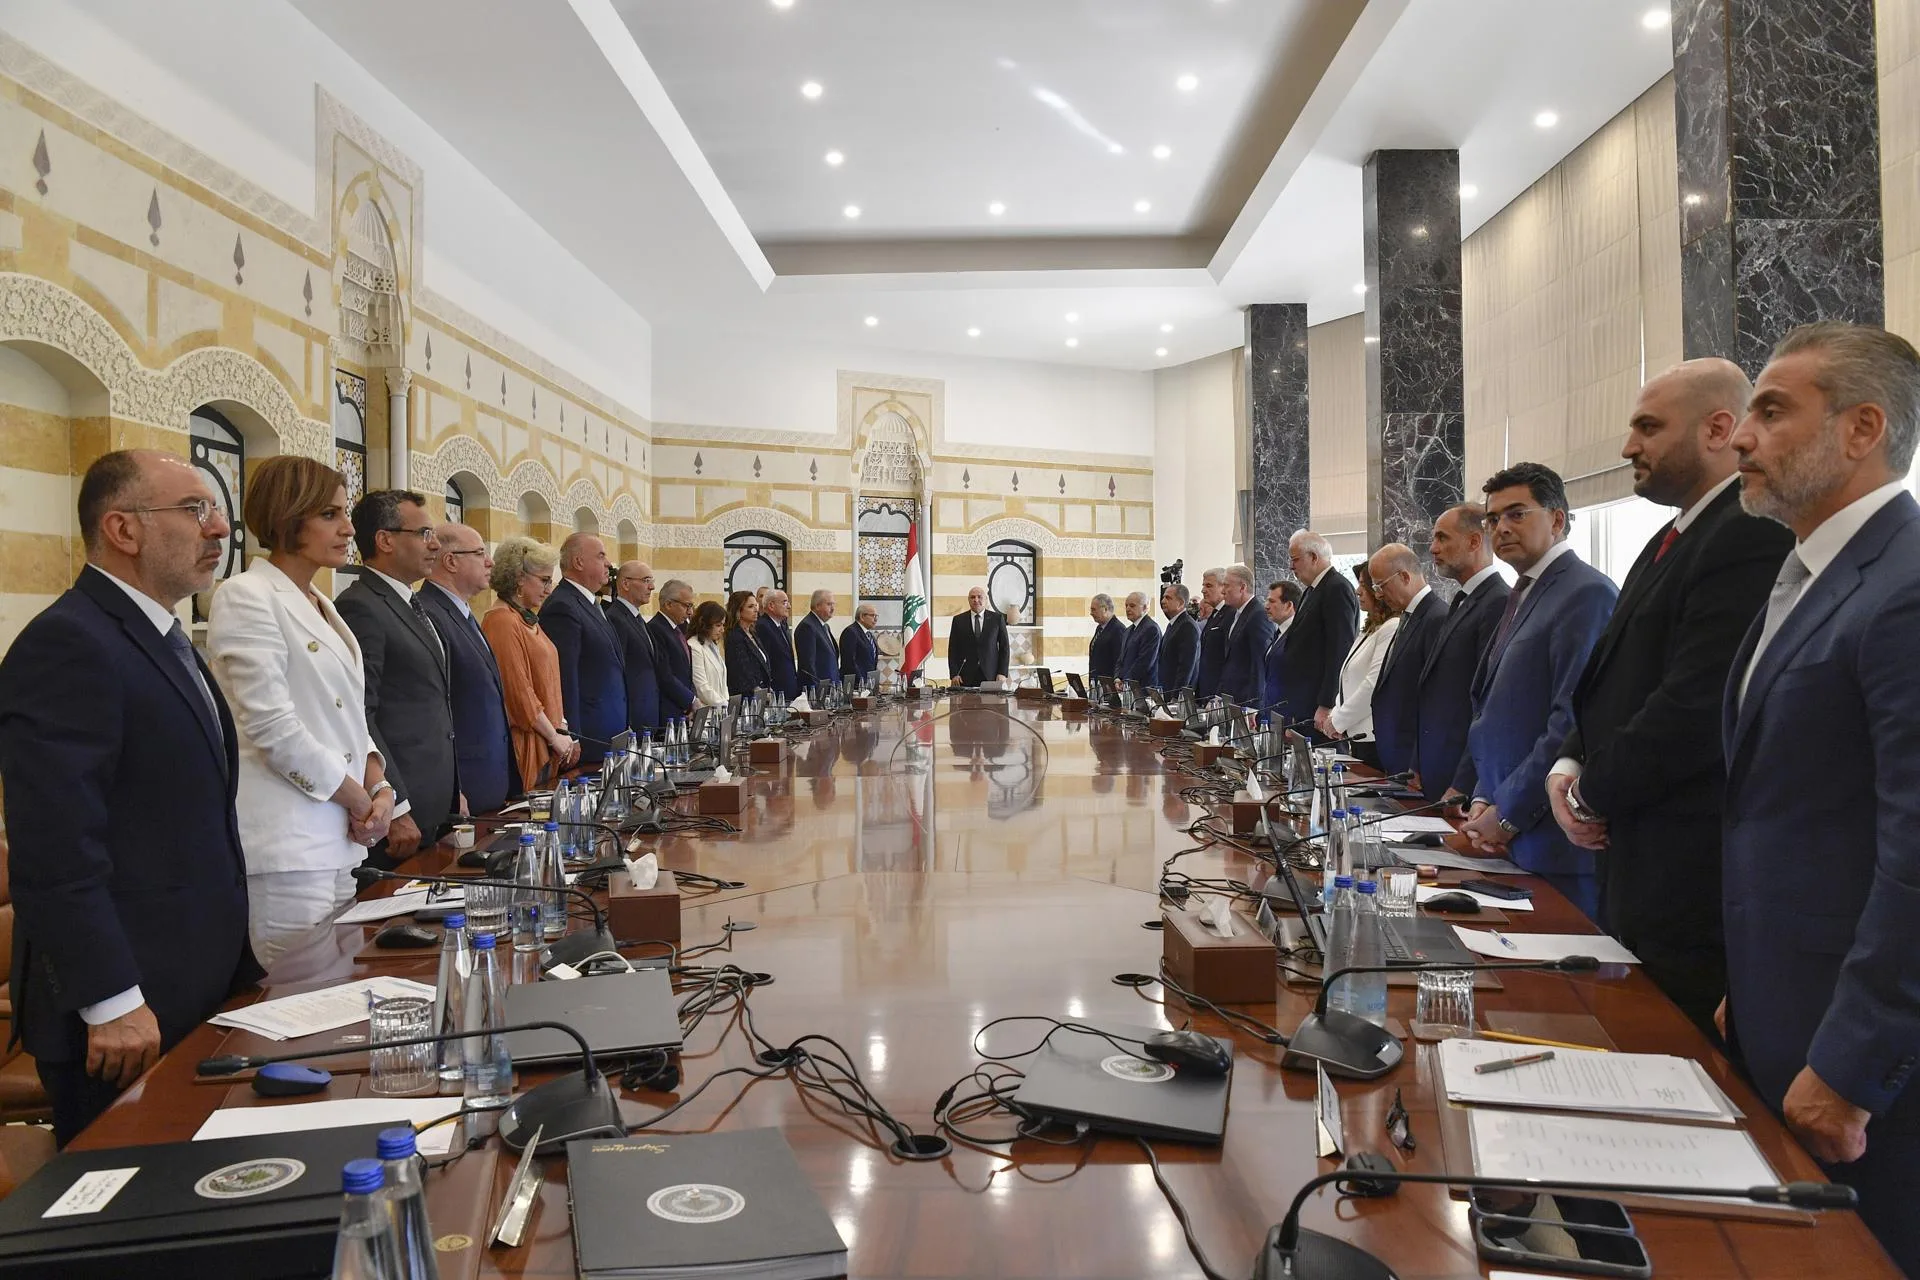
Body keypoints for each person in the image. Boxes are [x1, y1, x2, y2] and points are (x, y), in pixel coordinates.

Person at [1716, 322, 1920, 1272]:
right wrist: (1750, 990)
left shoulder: (1904, 585)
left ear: (1861, 429)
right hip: (1782, 1009)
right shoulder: (1807, 573)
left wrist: (1851, 1064)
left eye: (1770, 411)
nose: (1741, 438)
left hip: (1864, 1068)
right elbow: (1784, 806)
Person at [0, 450, 261, 1144]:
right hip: (123, 1011)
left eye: (216, 511)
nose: (217, 530)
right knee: (128, 1220)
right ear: (123, 529)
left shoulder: (163, 636)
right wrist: (110, 999)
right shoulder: (70, 643)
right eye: (194, 509)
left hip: (192, 981)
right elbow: (56, 846)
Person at [1548, 359, 1792, 1032]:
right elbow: (1615, 673)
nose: (1629, 446)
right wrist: (1569, 761)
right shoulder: (1671, 534)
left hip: (1686, 874)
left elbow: (1694, 703)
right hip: (1636, 862)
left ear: (1718, 428)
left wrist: (1589, 792)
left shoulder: (1748, 532)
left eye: (1648, 427)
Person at [206, 456, 393, 967]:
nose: (349, 528)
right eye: (330, 515)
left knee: (343, 985)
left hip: (341, 834)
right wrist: (358, 800)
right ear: (289, 517)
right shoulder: (247, 595)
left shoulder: (319, 602)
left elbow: (350, 716)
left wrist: (380, 786)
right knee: (303, 995)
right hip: (290, 843)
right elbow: (270, 726)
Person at [1455, 463, 1617, 917]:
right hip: (1506, 829)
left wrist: (1508, 813)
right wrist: (1485, 796)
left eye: (1516, 514)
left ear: (1558, 519)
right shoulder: (1524, 591)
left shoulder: (1585, 593)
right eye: (1493, 519)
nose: (1501, 528)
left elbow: (1570, 721)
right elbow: (1495, 712)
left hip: (1551, 840)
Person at [336, 490, 456, 864]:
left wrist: (456, 790)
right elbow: (361, 712)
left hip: (435, 802)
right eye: (424, 534)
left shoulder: (410, 602)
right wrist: (396, 803)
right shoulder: (362, 606)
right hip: (398, 813)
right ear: (385, 540)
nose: (434, 544)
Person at [418, 523, 520, 817]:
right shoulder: (430, 613)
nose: (490, 562)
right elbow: (437, 712)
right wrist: (453, 789)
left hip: (489, 781)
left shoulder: (462, 612)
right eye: (479, 553)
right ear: (451, 561)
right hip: (463, 786)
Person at [1414, 505, 1509, 800]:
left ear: (1474, 541)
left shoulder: (1498, 601)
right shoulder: (1463, 599)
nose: (1433, 548)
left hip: (1458, 775)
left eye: (1442, 538)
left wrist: (1465, 782)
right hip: (1436, 766)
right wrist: (1417, 764)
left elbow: (1488, 702)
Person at [481, 537, 577, 791]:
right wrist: (554, 736)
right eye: (544, 580)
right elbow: (519, 694)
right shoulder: (502, 621)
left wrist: (562, 729)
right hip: (530, 743)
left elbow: (549, 681)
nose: (550, 587)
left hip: (549, 738)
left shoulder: (526, 618)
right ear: (519, 578)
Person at [539, 533, 625, 765]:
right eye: (600, 556)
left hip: (609, 730)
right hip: (588, 736)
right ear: (578, 562)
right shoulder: (562, 605)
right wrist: (572, 736)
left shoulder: (590, 603)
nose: (608, 563)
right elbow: (565, 676)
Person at [1365, 543, 1445, 778]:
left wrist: (1418, 762)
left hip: (1414, 757)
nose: (1378, 594)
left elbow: (1434, 700)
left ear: (1404, 576)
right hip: (1395, 752)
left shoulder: (1436, 618)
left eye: (1381, 585)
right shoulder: (1408, 616)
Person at [1283, 532, 1360, 740]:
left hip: (1318, 703)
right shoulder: (1311, 590)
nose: (1291, 566)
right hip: (1302, 700)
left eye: (1295, 559)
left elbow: (1339, 649)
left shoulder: (1337, 588)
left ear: (1314, 557)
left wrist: (1326, 704)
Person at [1325, 564, 1400, 768]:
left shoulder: (1391, 626)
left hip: (1373, 736)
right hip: (1356, 734)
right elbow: (1348, 677)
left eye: (1363, 585)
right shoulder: (1371, 627)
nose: (1358, 591)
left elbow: (1372, 684)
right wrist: (1335, 711)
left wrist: (1338, 720)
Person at [605, 560, 662, 733]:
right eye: (646, 580)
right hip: (631, 720)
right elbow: (617, 672)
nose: (651, 587)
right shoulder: (616, 618)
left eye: (651, 580)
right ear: (625, 583)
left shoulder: (636, 618)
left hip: (648, 716)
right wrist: (626, 721)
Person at [1215, 564, 1275, 707]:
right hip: (1231, 696)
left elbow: (1259, 664)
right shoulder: (1235, 613)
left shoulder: (1258, 615)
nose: (1222, 591)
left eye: (1226, 585)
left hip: (1246, 700)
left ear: (1242, 587)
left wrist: (1253, 706)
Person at [650, 578, 697, 722]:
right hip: (667, 712)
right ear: (669, 604)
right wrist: (691, 700)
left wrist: (691, 701)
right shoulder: (656, 628)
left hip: (682, 711)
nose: (690, 612)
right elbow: (665, 675)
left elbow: (687, 672)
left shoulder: (679, 629)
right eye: (687, 606)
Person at [947, 586, 1009, 687]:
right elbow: (952, 649)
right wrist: (954, 674)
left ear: (985, 599)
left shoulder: (997, 619)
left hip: (991, 675)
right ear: (968, 600)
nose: (976, 600)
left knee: (992, 703)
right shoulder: (958, 620)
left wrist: (1002, 672)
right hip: (965, 677)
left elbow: (1004, 647)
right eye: (972, 597)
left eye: (979, 597)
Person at [1194, 568, 1235, 700]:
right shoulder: (1215, 615)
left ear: (1223, 587)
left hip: (1219, 694)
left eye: (1209, 585)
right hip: (1207, 692)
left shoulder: (1231, 614)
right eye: (1203, 585)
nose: (1203, 590)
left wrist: (1219, 693)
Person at [1261, 581, 1301, 716]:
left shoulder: (1298, 634)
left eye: (1272, 602)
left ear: (1289, 605)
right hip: (1270, 710)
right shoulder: (1278, 632)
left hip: (1286, 715)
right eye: (1267, 601)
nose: (1266, 606)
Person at [725, 589, 774, 696]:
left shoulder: (752, 633)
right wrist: (758, 692)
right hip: (746, 698)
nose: (756, 609)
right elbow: (741, 670)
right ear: (738, 610)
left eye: (756, 605)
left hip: (762, 694)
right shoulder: (735, 636)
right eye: (750, 607)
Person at [755, 589, 801, 699]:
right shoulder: (763, 626)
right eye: (784, 602)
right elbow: (765, 661)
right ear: (771, 605)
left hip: (789, 689)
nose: (789, 606)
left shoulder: (782, 626)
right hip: (776, 691)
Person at [1158, 582, 1200, 691]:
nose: (1163, 601)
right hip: (1166, 690)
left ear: (1181, 603)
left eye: (1168, 598)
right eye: (1163, 597)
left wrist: (1176, 697)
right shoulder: (1173, 624)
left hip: (1177, 696)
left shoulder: (1187, 626)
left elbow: (1186, 667)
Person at [688, 601, 730, 708]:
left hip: (720, 709)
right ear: (705, 624)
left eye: (723, 625)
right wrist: (724, 704)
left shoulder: (712, 645)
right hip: (707, 712)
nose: (722, 630)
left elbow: (722, 683)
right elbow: (701, 687)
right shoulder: (694, 646)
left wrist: (727, 703)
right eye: (718, 625)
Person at [796, 589, 839, 691]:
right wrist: (816, 691)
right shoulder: (807, 626)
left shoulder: (825, 626)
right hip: (818, 690)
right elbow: (808, 665)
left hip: (830, 687)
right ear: (817, 606)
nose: (833, 608)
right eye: (829, 604)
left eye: (833, 604)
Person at [1119, 591, 1161, 687]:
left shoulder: (1151, 629)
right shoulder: (1128, 630)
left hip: (1143, 688)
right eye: (1126, 606)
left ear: (1145, 607)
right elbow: (1121, 659)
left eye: (1132, 606)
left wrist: (1126, 682)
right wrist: (1118, 678)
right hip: (1127, 687)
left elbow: (1144, 662)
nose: (1128, 609)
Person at [1087, 593, 1125, 681]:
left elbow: (1118, 661)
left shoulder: (1118, 629)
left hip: (1109, 685)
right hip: (1097, 684)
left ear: (1105, 609)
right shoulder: (1099, 628)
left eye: (1093, 610)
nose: (1091, 613)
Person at [840, 602, 880, 683]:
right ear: (862, 616)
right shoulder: (851, 632)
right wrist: (861, 681)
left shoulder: (869, 635)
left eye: (876, 616)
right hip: (856, 684)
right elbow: (849, 662)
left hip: (869, 683)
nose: (875, 619)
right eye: (872, 615)